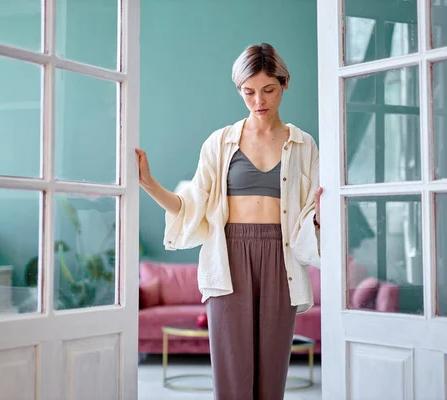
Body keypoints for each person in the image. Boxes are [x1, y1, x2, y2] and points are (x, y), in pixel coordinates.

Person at [136, 42, 322, 400]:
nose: (258, 101)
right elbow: (188, 206)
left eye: (268, 90)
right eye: (248, 92)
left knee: (272, 375)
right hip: (228, 255)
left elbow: (309, 216)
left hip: (280, 259)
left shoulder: (303, 145)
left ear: (285, 83)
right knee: (231, 370)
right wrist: (148, 183)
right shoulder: (220, 143)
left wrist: (320, 216)